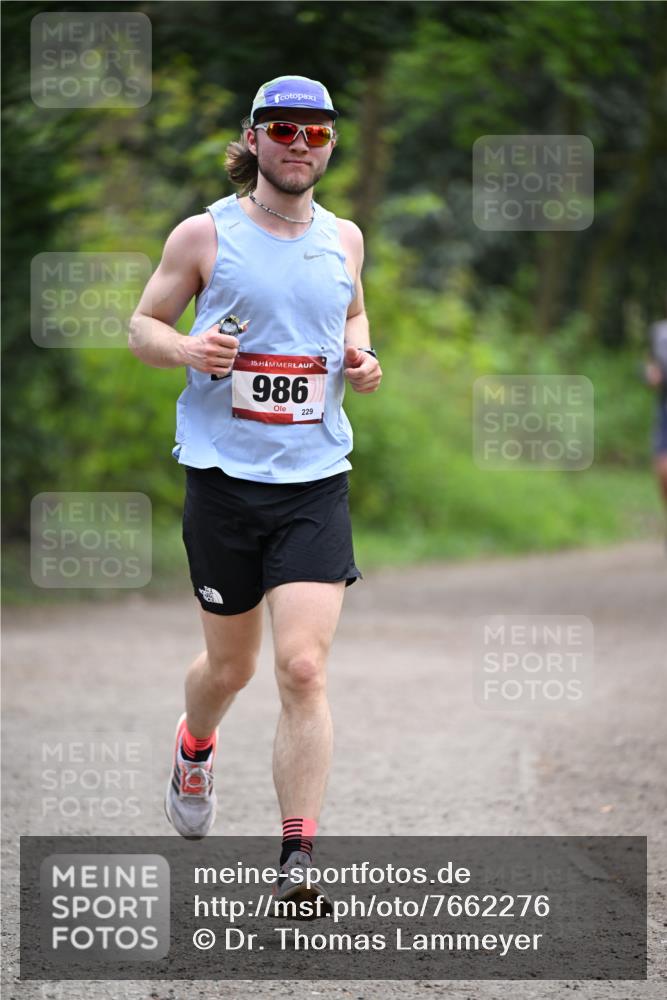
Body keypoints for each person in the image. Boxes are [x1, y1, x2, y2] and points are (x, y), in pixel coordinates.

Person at [128, 75, 382, 912]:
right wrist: (187, 350)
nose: (299, 145)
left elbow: (350, 316)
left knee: (302, 668)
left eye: (315, 133)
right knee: (229, 668)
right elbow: (144, 325)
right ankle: (194, 745)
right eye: (283, 130)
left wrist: (360, 355)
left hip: (314, 479)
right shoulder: (206, 233)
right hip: (223, 480)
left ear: (330, 144)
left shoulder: (343, 238)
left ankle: (297, 859)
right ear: (254, 138)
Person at [645, 307, 667, 528]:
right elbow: (649, 364)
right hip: (665, 407)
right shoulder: (659, 332)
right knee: (662, 470)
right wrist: (649, 374)